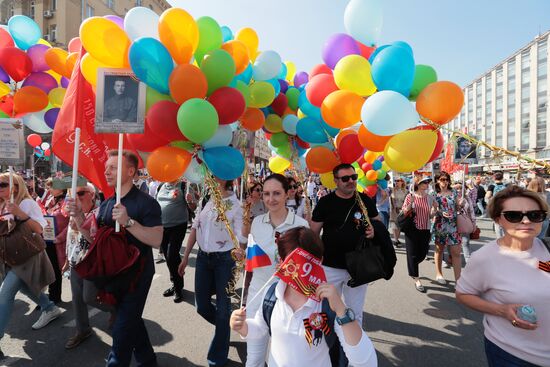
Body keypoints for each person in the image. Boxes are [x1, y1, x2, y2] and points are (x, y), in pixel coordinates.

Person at [67, 150, 163, 366]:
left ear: (130, 171)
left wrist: (129, 222)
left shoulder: (147, 203)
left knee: (120, 336)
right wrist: (79, 217)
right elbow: (95, 239)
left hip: (136, 277)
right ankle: (148, 361)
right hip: (112, 275)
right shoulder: (108, 203)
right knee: (132, 323)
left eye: (113, 167)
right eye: (106, 167)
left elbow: (157, 239)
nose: (106, 171)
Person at [230, 227, 378, 367]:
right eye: (292, 263)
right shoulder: (272, 294)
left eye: (306, 263)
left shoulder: (328, 303)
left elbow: (366, 361)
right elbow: (261, 329)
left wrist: (341, 310)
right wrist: (243, 327)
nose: (300, 271)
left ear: (319, 261)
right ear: (281, 262)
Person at [456, 186, 550, 367]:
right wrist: (501, 311)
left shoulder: (547, 247)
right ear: (498, 220)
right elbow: (463, 294)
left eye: (534, 215)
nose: (525, 221)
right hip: (514, 355)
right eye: (514, 215)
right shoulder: (485, 258)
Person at [242, 174, 309, 367]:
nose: (271, 199)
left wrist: (290, 270)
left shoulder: (301, 226)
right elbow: (253, 257)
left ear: (287, 194)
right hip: (257, 296)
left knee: (281, 360)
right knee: (254, 359)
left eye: (277, 193)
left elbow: (307, 269)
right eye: (266, 194)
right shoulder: (257, 222)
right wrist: (243, 255)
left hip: (288, 301)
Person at [178, 179, 247, 367]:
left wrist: (241, 252)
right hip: (203, 258)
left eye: (216, 174)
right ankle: (224, 328)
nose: (211, 177)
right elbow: (194, 228)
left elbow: (241, 237)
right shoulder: (206, 199)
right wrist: (185, 258)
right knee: (201, 306)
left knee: (223, 309)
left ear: (226, 178)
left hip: (225, 261)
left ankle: (217, 358)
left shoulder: (236, 204)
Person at [0, 173, 62, 359]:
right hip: (9, 256)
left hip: (26, 256)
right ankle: (49, 307)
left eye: (2, 184)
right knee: (25, 288)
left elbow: (40, 228)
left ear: (16, 186)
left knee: (5, 295)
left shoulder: (26, 203)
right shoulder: (2, 204)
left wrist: (20, 214)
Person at [310, 163, 380, 325]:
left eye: (354, 177)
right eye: (345, 178)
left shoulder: (365, 200)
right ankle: (329, 347)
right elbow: (313, 233)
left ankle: (353, 348)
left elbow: (378, 223)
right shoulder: (325, 202)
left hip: (359, 266)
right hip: (329, 266)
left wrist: (375, 231)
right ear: (336, 181)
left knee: (355, 313)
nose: (351, 181)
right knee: (326, 310)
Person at [62, 184, 114, 349]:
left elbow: (94, 240)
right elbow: (71, 239)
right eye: (73, 194)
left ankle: (116, 309)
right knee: (77, 300)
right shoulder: (72, 212)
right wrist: (66, 259)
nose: (77, 197)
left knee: (89, 297)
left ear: (92, 195)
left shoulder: (100, 213)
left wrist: (79, 219)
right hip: (75, 261)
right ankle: (83, 330)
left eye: (81, 193)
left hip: (91, 263)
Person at [156, 180, 188, 303]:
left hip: (178, 225)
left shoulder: (183, 185)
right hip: (162, 227)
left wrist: (190, 200)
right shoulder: (161, 186)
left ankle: (178, 288)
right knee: (169, 257)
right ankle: (175, 283)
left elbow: (192, 205)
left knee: (172, 256)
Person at [401, 176, 435, 292]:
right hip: (412, 229)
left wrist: (434, 212)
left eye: (427, 182)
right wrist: (411, 204)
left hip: (425, 228)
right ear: (418, 184)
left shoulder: (430, 197)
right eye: (424, 182)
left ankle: (412, 266)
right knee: (412, 255)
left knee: (422, 253)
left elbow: (432, 213)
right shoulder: (410, 196)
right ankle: (416, 278)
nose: (427, 184)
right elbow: (405, 211)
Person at [432, 172, 464, 284]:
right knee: (439, 250)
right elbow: (431, 212)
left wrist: (461, 204)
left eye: (446, 179)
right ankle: (439, 274)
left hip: (454, 226)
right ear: (437, 180)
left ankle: (458, 280)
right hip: (440, 225)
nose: (444, 182)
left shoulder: (454, 192)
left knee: (456, 252)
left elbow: (457, 207)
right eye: (441, 179)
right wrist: (439, 212)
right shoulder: (434, 194)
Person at [43, 178, 69, 304]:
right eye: (48, 187)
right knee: (49, 270)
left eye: (52, 186)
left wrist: (59, 238)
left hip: (59, 242)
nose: (49, 189)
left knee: (56, 270)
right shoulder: (49, 201)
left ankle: (54, 297)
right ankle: (50, 296)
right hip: (47, 239)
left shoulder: (67, 201)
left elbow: (71, 223)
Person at [454, 182, 477, 264]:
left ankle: (468, 261)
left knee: (465, 241)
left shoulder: (467, 198)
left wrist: (474, 223)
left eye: (461, 188)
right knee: (453, 243)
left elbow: (471, 211)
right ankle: (451, 257)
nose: (459, 190)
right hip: (453, 223)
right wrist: (458, 206)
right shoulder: (451, 197)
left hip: (465, 222)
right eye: (457, 188)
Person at [389, 177, 408, 247]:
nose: (396, 182)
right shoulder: (392, 190)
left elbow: (407, 201)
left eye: (398, 181)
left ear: (402, 182)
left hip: (402, 210)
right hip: (394, 210)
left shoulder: (406, 191)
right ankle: (396, 240)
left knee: (399, 226)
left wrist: (403, 208)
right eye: (396, 181)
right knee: (394, 225)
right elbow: (391, 199)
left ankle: (397, 239)